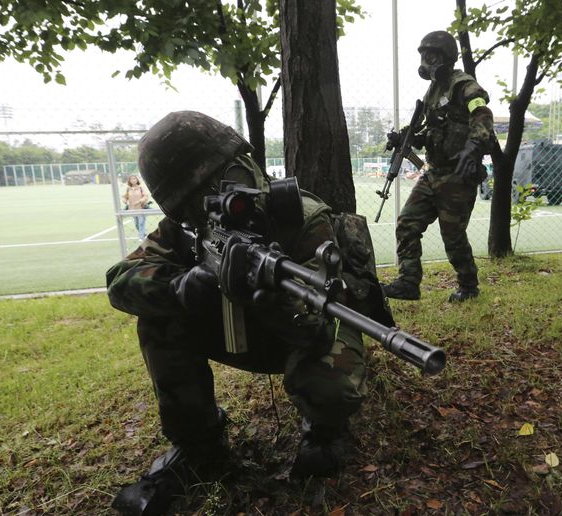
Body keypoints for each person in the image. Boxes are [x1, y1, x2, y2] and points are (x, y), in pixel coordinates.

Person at [106, 111, 390, 515]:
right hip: (238, 332)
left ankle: (324, 428)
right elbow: (119, 280)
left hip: (299, 331)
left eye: (226, 180)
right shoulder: (186, 230)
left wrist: (272, 299)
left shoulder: (304, 218)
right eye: (196, 200)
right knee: (158, 317)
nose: (218, 202)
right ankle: (199, 445)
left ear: (246, 165)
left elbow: (320, 320)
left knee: (331, 386)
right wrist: (181, 287)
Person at [381, 30, 495, 303]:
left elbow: (482, 113)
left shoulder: (462, 84)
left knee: (453, 237)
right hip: (433, 173)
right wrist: (407, 138)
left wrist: (472, 147)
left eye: (430, 55)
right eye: (422, 55)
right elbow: (432, 133)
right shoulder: (432, 91)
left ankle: (468, 286)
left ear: (445, 57)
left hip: (458, 175)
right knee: (407, 223)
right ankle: (409, 282)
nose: (425, 61)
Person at [122, 174, 150, 240]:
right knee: (137, 224)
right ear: (129, 181)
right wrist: (126, 201)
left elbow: (146, 196)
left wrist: (140, 201)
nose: (133, 180)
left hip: (141, 208)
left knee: (141, 223)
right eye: (131, 179)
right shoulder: (128, 189)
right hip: (132, 209)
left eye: (134, 179)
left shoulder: (140, 188)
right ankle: (143, 233)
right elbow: (124, 197)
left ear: (137, 180)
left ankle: (141, 237)